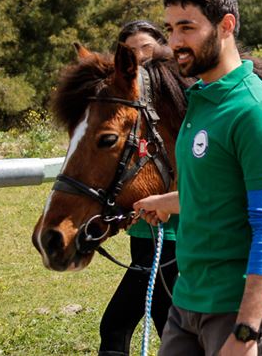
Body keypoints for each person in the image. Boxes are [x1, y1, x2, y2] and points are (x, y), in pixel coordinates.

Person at [134, 0, 262, 356]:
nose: (174, 42)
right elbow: (217, 190)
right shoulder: (202, 100)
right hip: (188, 300)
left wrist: (246, 332)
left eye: (187, 28)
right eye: (170, 29)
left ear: (226, 26)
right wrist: (167, 202)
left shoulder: (256, 111)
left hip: (239, 307)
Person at [98, 21, 179, 356]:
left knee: (116, 324)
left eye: (147, 49)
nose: (140, 58)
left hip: (172, 235)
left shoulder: (177, 107)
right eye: (131, 53)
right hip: (143, 231)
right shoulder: (134, 113)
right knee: (165, 320)